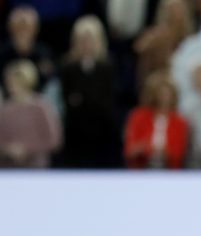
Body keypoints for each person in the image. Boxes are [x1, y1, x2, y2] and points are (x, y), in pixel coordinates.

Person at [57, 15, 120, 168]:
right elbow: (68, 100)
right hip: (76, 133)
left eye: (90, 39)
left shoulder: (109, 67)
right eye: (82, 40)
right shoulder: (68, 68)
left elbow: (108, 100)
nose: (86, 44)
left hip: (103, 132)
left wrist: (83, 99)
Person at [0, 59, 62, 167]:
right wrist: (9, 149)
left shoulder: (41, 107)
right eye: (10, 81)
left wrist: (26, 149)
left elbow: (53, 139)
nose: (13, 85)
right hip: (8, 168)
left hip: (35, 168)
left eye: (18, 81)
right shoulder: (5, 109)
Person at [124, 71, 190, 169]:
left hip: (170, 172)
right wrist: (147, 148)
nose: (164, 98)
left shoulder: (180, 121)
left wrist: (163, 152)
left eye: (167, 94)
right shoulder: (138, 117)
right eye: (161, 94)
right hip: (140, 170)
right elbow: (129, 150)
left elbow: (178, 153)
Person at [134, 0, 194, 94]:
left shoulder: (190, 39)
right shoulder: (156, 36)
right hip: (161, 81)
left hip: (185, 81)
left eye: (179, 9)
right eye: (173, 10)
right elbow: (139, 48)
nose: (176, 13)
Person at [0, 6, 55, 95]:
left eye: (27, 27)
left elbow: (49, 80)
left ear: (36, 29)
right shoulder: (2, 53)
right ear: (10, 28)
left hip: (37, 100)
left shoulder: (44, 54)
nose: (23, 31)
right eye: (18, 27)